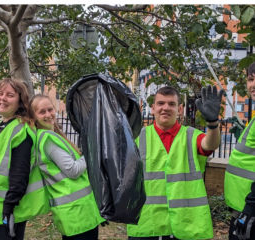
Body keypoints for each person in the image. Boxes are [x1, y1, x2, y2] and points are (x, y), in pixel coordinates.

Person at [127, 85, 224, 239]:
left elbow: (210, 144)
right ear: (152, 108)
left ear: (180, 109)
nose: (165, 108)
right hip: (147, 225)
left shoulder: (191, 136)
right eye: (160, 103)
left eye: (171, 104)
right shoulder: (137, 137)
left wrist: (212, 123)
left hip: (187, 227)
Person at [0, 78, 49, 240]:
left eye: (10, 95)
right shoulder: (4, 127)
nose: (2, 98)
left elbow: (20, 174)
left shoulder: (20, 130)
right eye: (0, 93)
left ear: (20, 102)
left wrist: (8, 208)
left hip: (4, 212)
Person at [29, 94, 104, 240]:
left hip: (77, 212)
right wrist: (92, 154)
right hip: (76, 213)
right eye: (42, 112)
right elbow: (73, 170)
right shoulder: (47, 138)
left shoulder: (50, 135)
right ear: (34, 117)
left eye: (50, 109)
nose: (48, 114)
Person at [225, 62, 255, 240]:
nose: (253, 85)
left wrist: (251, 207)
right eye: (251, 79)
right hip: (242, 210)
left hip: (250, 212)